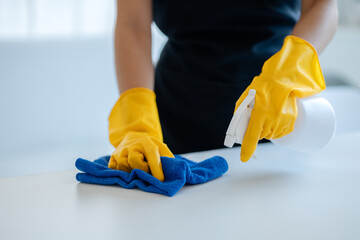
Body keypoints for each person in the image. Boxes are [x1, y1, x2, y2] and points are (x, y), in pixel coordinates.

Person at [108, 0, 338, 181]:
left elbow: (323, 4)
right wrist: (138, 123)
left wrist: (292, 67)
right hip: (176, 122)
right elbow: (133, 24)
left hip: (278, 114)